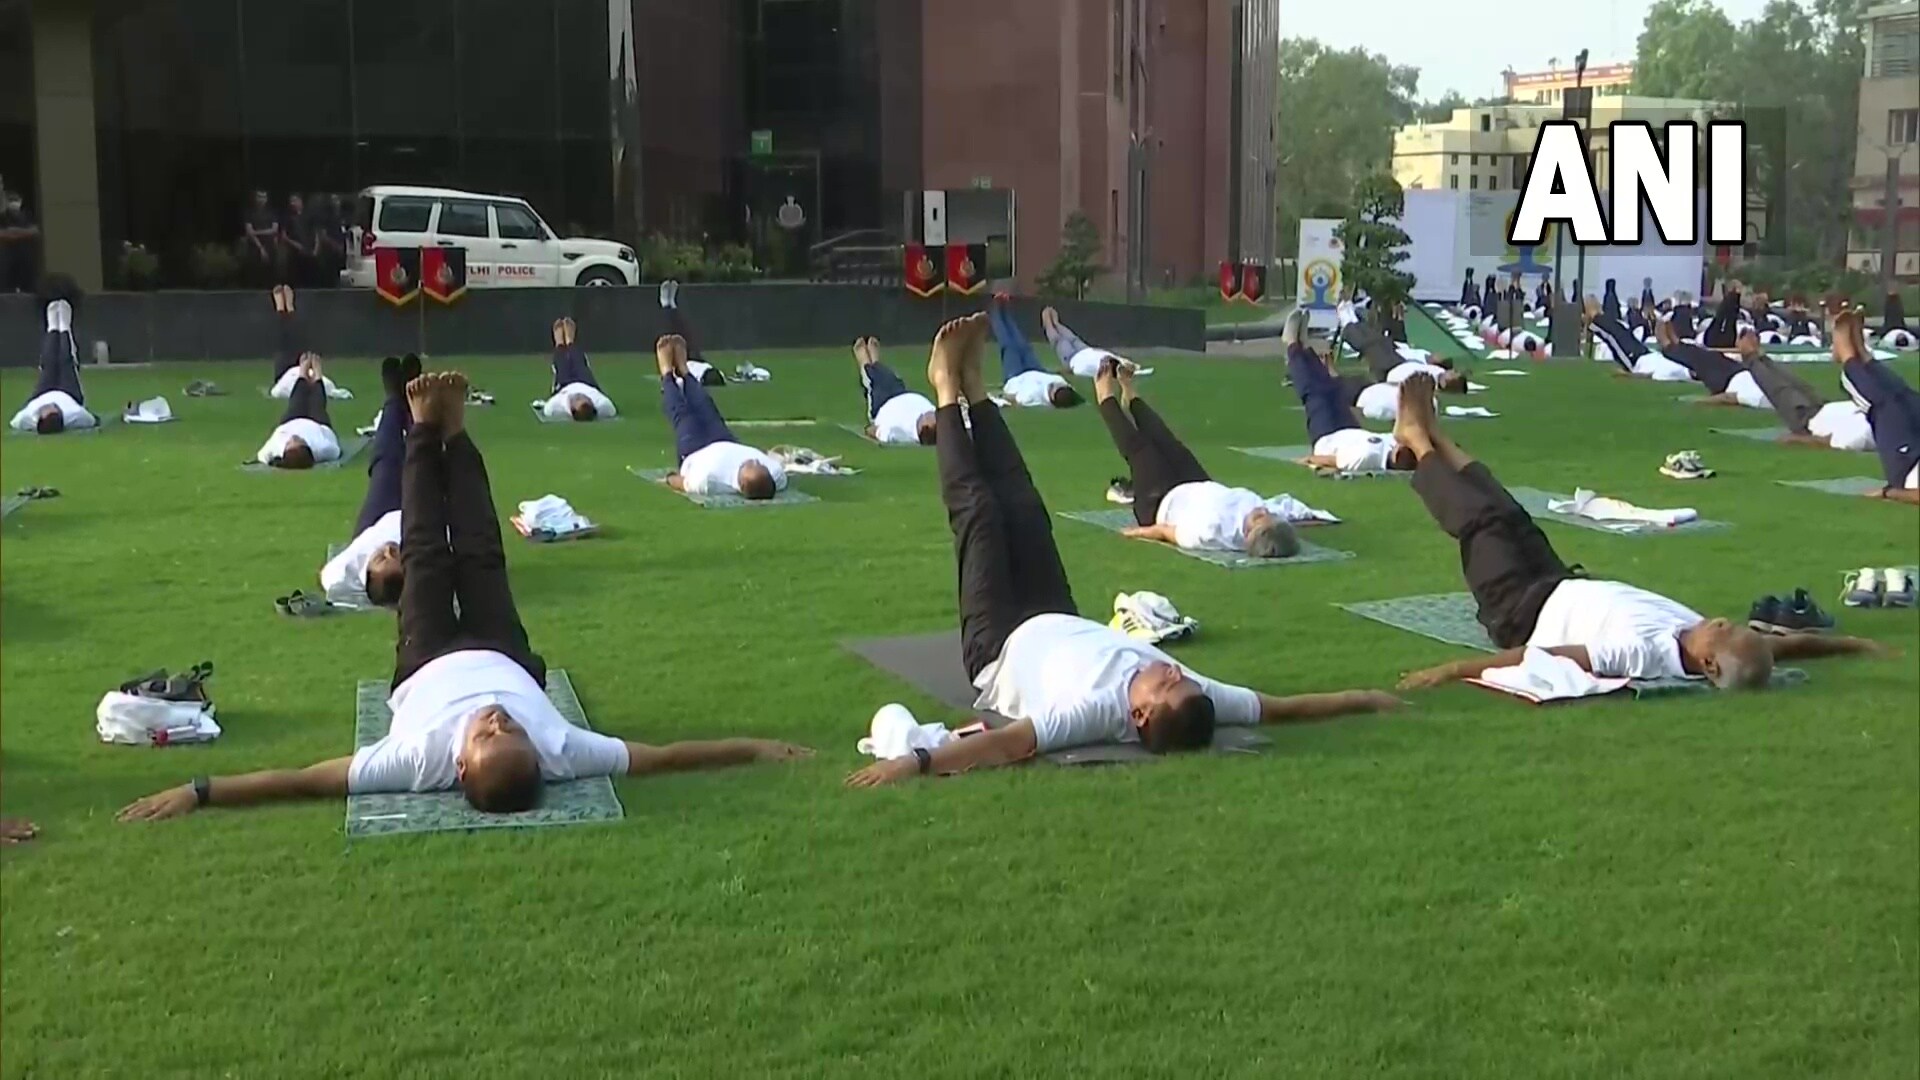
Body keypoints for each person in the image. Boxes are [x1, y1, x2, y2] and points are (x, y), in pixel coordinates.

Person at [121, 373, 813, 822]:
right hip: (503, 649)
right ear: (537, 755)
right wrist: (754, 746)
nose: (495, 722)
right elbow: (666, 757)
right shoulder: (562, 746)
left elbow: (306, 780)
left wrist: (199, 791)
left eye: (487, 735)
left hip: (423, 661)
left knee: (425, 553)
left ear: (459, 763)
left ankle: (426, 429)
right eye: (508, 731)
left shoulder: (415, 758)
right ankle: (458, 433)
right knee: (480, 549)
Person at [843, 316, 1401, 787]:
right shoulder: (1198, 697)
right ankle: (975, 389)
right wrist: (1364, 698)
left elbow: (1009, 744)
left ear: (1138, 714)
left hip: (998, 649)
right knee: (1025, 505)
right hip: (1054, 610)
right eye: (1180, 678)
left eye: (1166, 684)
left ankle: (945, 387)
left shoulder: (1093, 714)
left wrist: (915, 762)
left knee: (980, 513)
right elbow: (1282, 708)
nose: (1172, 671)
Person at [1384, 374, 1888, 689]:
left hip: (1519, 610)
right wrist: (1858, 646)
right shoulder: (1708, 641)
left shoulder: (1643, 653)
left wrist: (1452, 671)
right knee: (1510, 510)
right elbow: (1792, 646)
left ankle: (1417, 444)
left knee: (1482, 521)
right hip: (1558, 581)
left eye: (1725, 631)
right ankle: (1436, 437)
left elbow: (1540, 656)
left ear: (1709, 666)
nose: (1721, 620)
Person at [1094, 360, 1301, 558]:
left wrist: (1137, 533)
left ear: (1247, 534)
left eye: (1259, 518)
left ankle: (1105, 397)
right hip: (1197, 483)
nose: (1262, 511)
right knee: (1166, 439)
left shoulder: (1211, 532)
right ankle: (1130, 396)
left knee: (1142, 452)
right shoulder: (1265, 514)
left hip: (1161, 503)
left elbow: (1167, 532)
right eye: (1267, 514)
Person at [320, 354, 422, 607]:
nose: (387, 549)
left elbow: (332, 583)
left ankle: (392, 400)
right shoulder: (423, 559)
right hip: (416, 519)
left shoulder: (341, 572)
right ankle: (413, 402)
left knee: (385, 463)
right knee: (422, 462)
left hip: (376, 520)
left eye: (380, 559)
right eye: (395, 555)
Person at [657, 334, 786, 499]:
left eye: (751, 465)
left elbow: (684, 483)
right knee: (705, 404)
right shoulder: (776, 476)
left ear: (741, 483)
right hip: (725, 439)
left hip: (694, 451)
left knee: (683, 414)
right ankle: (684, 370)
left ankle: (666, 372)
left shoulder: (710, 482)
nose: (756, 461)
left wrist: (669, 478)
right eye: (759, 465)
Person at [1286, 311, 1413, 475]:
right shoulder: (1392, 444)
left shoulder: (1367, 457)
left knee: (1315, 392)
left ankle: (1291, 345)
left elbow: (1334, 460)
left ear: (1398, 458)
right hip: (1350, 429)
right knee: (1332, 387)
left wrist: (1308, 460)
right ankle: (1303, 345)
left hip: (1327, 436)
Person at [1832, 310, 1920, 504]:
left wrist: (1888, 492)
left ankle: (1847, 354)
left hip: (1908, 464)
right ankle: (1864, 355)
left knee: (1883, 405)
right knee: (1905, 395)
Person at [9, 276, 97, 434]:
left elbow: (14, 422)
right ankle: (63, 327)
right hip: (68, 394)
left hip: (42, 393)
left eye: (46, 411)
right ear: (59, 414)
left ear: (39, 418)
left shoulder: (27, 417)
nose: (50, 407)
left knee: (48, 363)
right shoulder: (73, 415)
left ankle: (52, 327)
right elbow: (90, 419)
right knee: (65, 360)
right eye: (53, 410)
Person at [987, 293, 1081, 408]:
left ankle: (995, 311)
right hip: (1036, 369)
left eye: (1054, 388)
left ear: (1052, 397)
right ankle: (1005, 310)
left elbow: (1013, 399)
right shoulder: (1062, 386)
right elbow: (1077, 397)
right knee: (1021, 343)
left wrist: (1002, 397)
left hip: (1016, 376)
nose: (1054, 385)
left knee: (1008, 344)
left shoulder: (1032, 397)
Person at [256, 353, 342, 469]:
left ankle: (303, 374)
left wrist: (273, 462)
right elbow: (335, 451)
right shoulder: (322, 448)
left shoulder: (275, 449)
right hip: (317, 425)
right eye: (299, 441)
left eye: (290, 442)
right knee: (317, 403)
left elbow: (261, 456)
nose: (294, 437)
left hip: (291, 422)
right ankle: (317, 375)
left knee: (296, 401)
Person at [853, 336, 935, 446]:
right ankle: (875, 361)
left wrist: (871, 430)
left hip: (882, 403)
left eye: (933, 419)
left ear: (924, 427)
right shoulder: (934, 417)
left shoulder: (901, 433)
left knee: (873, 379)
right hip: (902, 392)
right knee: (890, 377)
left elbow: (876, 432)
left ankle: (864, 361)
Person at [539, 317, 615, 421]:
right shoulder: (602, 404)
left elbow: (547, 409)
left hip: (564, 387)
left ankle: (559, 343)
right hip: (587, 384)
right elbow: (611, 410)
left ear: (572, 409)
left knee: (562, 364)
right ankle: (570, 342)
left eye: (577, 399)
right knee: (579, 361)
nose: (580, 395)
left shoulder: (556, 407)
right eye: (586, 399)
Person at [1041, 303, 1144, 378]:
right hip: (1086, 349)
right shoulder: (1115, 361)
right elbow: (1131, 365)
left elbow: (1073, 370)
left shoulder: (1099, 369)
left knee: (1058, 340)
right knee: (1072, 337)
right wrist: (1134, 367)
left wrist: (1060, 371)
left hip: (1072, 358)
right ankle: (1056, 323)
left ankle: (1047, 323)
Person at [658, 279, 728, 386]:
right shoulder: (707, 374)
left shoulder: (699, 376)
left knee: (672, 336)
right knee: (685, 332)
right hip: (697, 361)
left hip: (687, 363)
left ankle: (667, 305)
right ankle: (671, 305)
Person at [0, 188, 40, 293]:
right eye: (11, 200)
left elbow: (35, 231)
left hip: (26, 257)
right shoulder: (3, 217)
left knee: (28, 287)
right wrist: (22, 233)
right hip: (8, 258)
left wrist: (14, 232)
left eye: (15, 199)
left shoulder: (27, 215)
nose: (14, 203)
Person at [240, 190, 281, 288]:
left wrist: (257, 232)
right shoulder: (249, 213)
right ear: (255, 198)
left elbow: (274, 230)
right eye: (259, 197)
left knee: (271, 275)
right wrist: (261, 248)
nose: (261, 200)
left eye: (263, 197)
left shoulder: (272, 213)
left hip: (270, 245)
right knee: (255, 274)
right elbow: (249, 231)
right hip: (254, 246)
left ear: (266, 199)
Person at [279, 194, 317, 289]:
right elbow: (284, 236)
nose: (293, 203)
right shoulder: (287, 217)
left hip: (309, 251)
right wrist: (295, 244)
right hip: (295, 253)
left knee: (310, 280)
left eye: (295, 201)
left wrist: (316, 248)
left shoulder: (309, 216)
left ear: (300, 201)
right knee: (296, 281)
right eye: (291, 201)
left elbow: (316, 233)